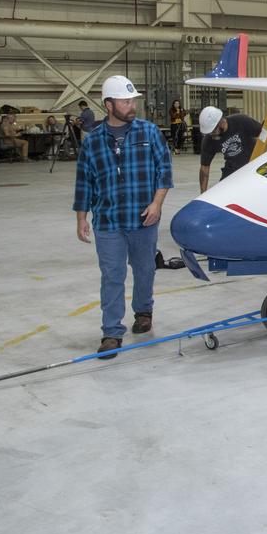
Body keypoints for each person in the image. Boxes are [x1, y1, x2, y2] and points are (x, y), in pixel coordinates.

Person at [73, 75, 173, 358]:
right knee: (112, 275)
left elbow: (164, 171)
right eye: (125, 101)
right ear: (108, 105)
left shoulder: (149, 132)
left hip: (143, 218)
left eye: (133, 101)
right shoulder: (92, 142)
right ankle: (111, 333)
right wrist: (81, 218)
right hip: (108, 222)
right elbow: (84, 183)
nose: (132, 106)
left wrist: (157, 204)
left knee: (144, 269)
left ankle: (143, 311)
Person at [198, 107, 263, 193]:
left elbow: (265, 135)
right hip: (232, 168)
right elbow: (204, 168)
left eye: (213, 131)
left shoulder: (241, 121)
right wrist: (203, 193)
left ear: (221, 122)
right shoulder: (209, 140)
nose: (211, 135)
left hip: (254, 164)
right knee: (222, 194)